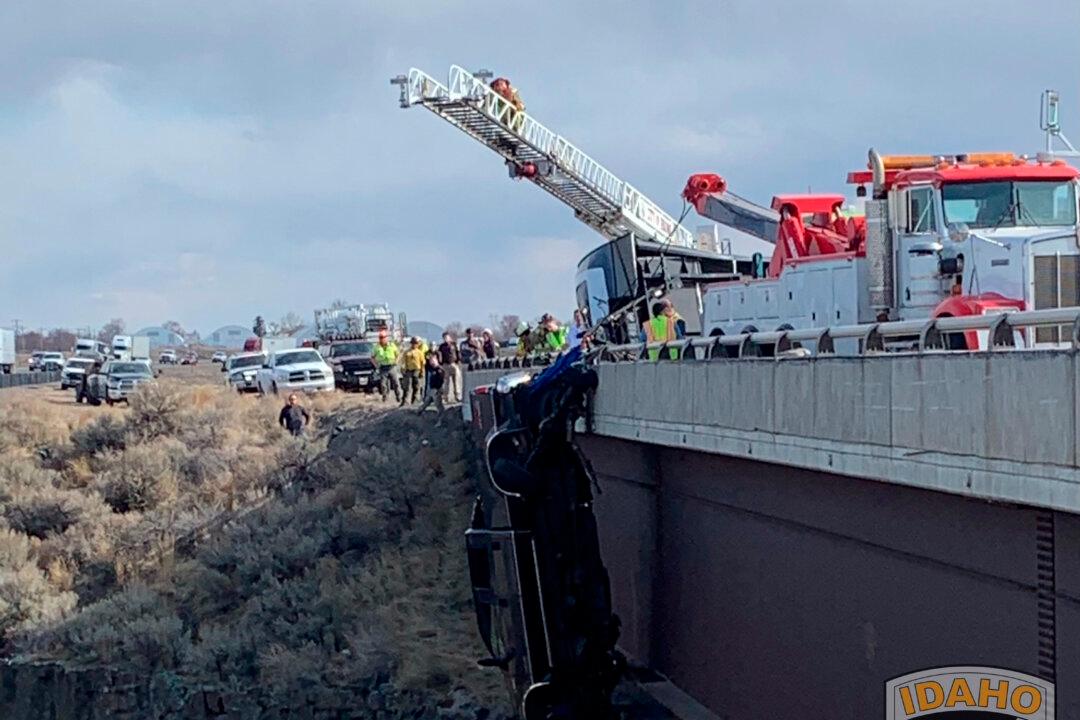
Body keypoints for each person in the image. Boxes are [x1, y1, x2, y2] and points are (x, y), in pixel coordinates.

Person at [372, 330, 402, 403]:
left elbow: (398, 354)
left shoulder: (392, 345)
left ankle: (399, 397)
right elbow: (372, 357)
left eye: (383, 337)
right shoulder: (376, 347)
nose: (382, 339)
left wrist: (396, 362)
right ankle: (385, 398)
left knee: (396, 383)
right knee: (383, 384)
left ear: (386, 338)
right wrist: (376, 365)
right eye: (380, 337)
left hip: (392, 367)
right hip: (383, 367)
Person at [417, 353, 446, 417]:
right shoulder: (431, 369)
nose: (431, 362)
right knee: (426, 402)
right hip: (431, 389)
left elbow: (442, 381)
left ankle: (441, 419)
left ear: (436, 360)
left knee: (438, 405)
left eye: (433, 360)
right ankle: (418, 412)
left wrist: (439, 390)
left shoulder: (439, 370)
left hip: (437, 390)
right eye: (430, 361)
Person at [437, 332, 462, 403]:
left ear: (450, 337)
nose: (446, 339)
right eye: (444, 338)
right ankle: (446, 398)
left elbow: (458, 353)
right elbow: (440, 355)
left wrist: (458, 361)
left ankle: (457, 396)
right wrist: (440, 364)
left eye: (447, 337)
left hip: (454, 364)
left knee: (456, 381)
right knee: (446, 382)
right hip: (445, 365)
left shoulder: (454, 344)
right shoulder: (441, 346)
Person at [400, 337, 426, 406]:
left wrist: (422, 372)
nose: (414, 345)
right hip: (408, 370)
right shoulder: (407, 352)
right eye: (413, 343)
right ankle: (404, 401)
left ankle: (414, 400)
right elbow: (403, 361)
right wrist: (403, 369)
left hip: (417, 370)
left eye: (416, 343)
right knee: (407, 386)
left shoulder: (420, 352)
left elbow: (422, 363)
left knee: (416, 386)